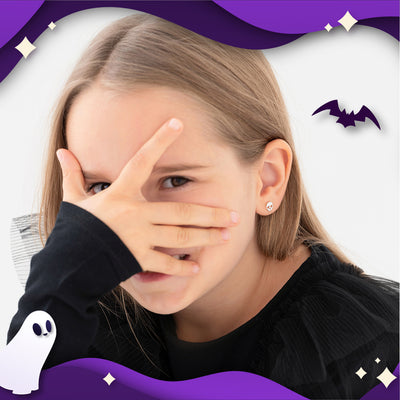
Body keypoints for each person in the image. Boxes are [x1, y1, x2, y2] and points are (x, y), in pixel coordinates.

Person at [7, 13, 398, 399]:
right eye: (102, 187)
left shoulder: (372, 355)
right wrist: (57, 286)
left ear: (268, 178)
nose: (132, 225)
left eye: (175, 180)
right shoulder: (86, 322)